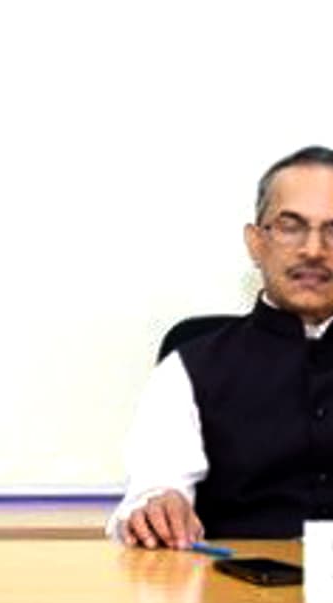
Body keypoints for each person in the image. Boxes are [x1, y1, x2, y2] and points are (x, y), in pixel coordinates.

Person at [109, 145, 333, 548]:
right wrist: (158, 508)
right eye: (291, 226)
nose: (314, 250)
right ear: (256, 243)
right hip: (231, 584)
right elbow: (154, 490)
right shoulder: (188, 369)